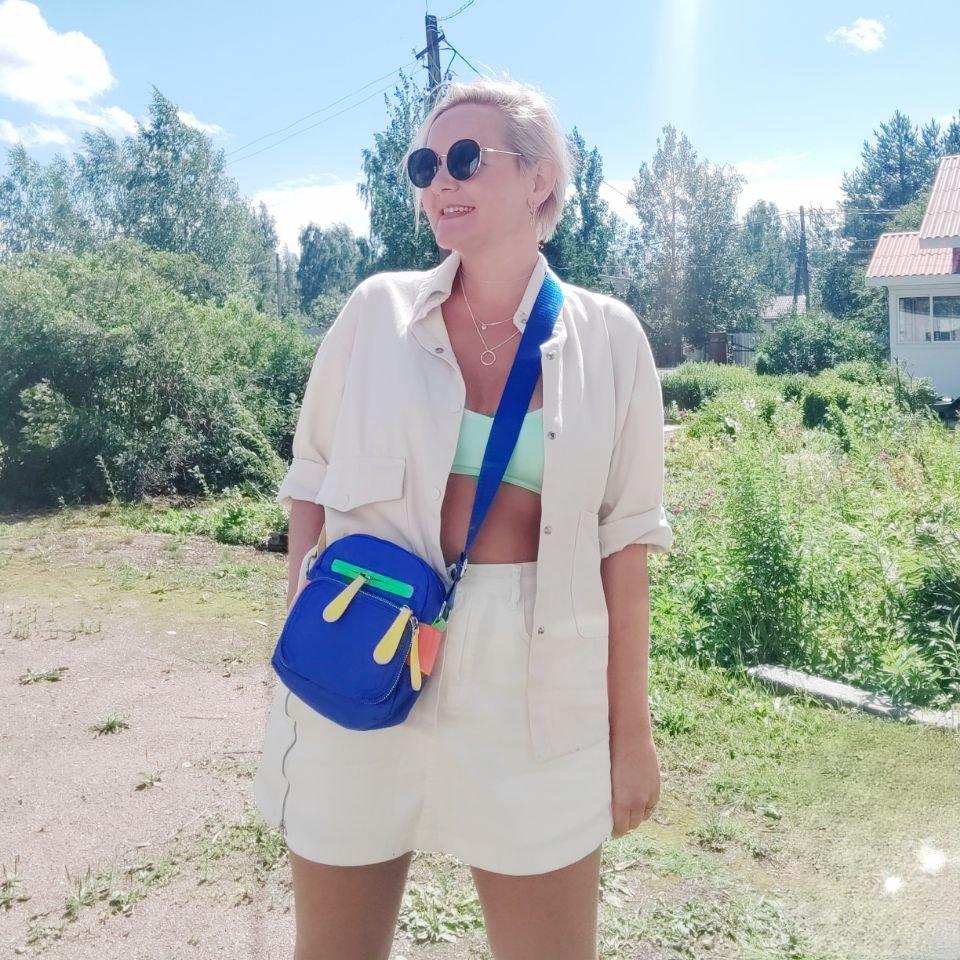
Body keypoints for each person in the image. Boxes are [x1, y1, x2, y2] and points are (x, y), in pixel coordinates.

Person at [253, 75, 674, 960]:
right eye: (424, 165)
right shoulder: (375, 313)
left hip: (534, 675)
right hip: (363, 640)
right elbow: (309, 482)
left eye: (466, 158)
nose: (439, 179)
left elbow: (627, 545)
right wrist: (303, 624)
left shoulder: (609, 339)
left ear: (541, 180)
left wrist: (631, 735)